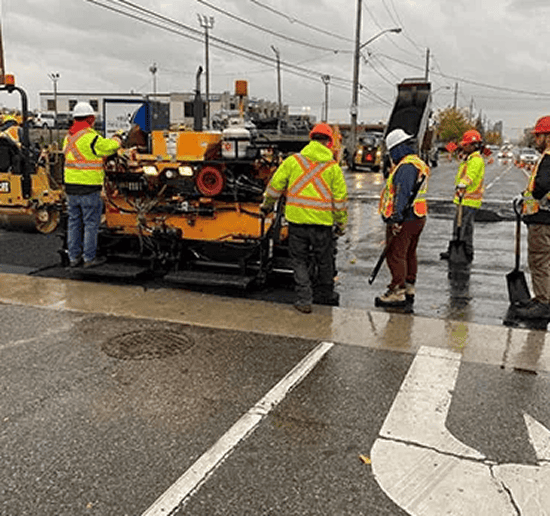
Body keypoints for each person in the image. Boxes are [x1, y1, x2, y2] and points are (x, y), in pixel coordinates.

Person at [260, 123, 348, 313]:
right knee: (324, 260)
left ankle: (304, 299)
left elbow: (275, 187)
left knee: (299, 260)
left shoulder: (294, 162)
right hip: (322, 224)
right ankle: (325, 296)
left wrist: (266, 207)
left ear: (311, 138)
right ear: (328, 142)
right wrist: (340, 224)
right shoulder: (333, 168)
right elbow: (340, 200)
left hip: (297, 222)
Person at [63, 101, 123, 268]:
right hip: (89, 188)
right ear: (90, 119)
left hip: (71, 188)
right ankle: (89, 258)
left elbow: (81, 157)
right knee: (91, 224)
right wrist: (118, 138)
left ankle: (74, 258)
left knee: (74, 223)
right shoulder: (91, 137)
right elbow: (110, 147)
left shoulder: (68, 138)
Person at [375, 128, 430, 307]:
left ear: (396, 149)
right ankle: (409, 286)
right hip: (417, 216)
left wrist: (396, 219)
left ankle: (397, 291)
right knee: (409, 253)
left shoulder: (406, 167)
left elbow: (401, 194)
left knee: (396, 254)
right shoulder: (417, 163)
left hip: (405, 218)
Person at [514, 116, 550, 319]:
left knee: (539, 260)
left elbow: (543, 184)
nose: (536, 140)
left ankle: (543, 303)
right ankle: (543, 298)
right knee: (545, 261)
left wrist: (529, 196)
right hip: (546, 216)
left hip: (542, 217)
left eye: (539, 136)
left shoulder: (548, 157)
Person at [440, 129, 485, 262]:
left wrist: (462, 184)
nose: (464, 147)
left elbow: (470, 175)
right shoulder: (469, 158)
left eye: (466, 145)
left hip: (468, 199)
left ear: (474, 146)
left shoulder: (475, 160)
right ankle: (465, 250)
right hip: (464, 199)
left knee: (462, 227)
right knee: (463, 226)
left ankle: (463, 251)